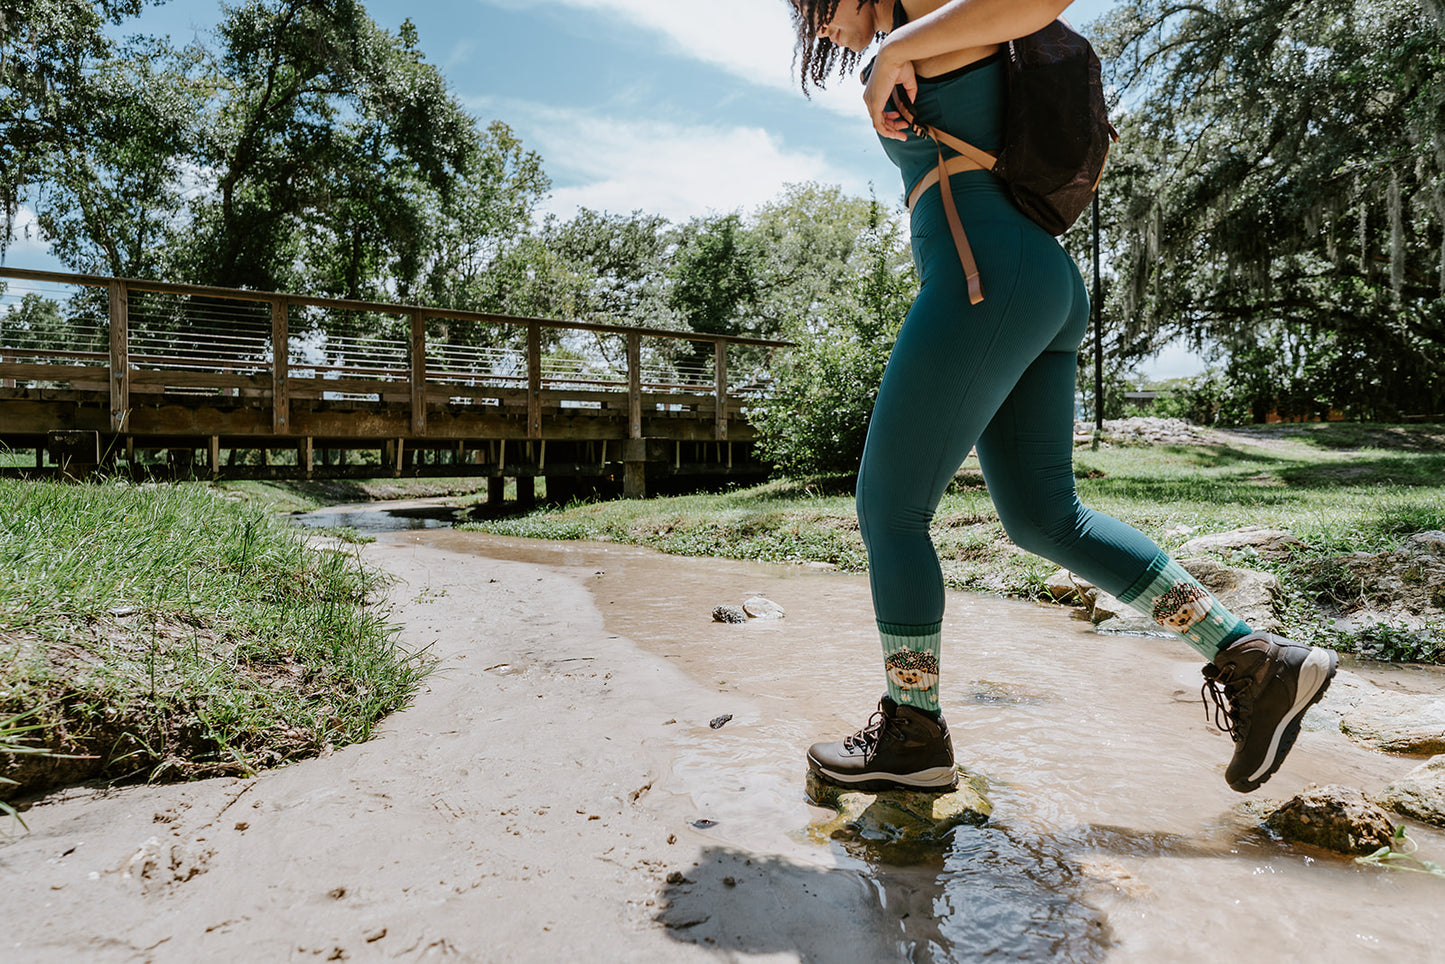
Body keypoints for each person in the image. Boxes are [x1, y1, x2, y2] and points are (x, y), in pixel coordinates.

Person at [788, 0, 1337, 795]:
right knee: (1045, 519)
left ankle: (912, 737)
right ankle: (1255, 660)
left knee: (889, 508)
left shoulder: (928, 22)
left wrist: (900, 42)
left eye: (815, 10)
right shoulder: (935, 36)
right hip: (1032, 280)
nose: (821, 34)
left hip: (987, 279)